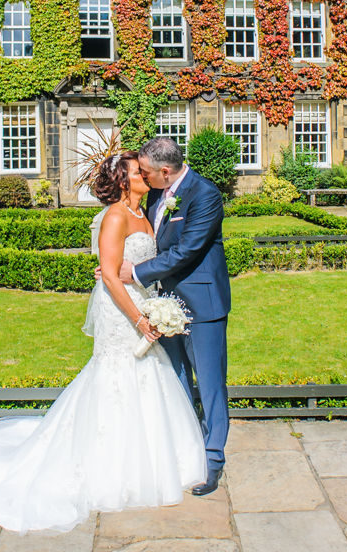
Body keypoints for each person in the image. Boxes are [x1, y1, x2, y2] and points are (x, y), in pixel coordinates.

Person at [0, 151, 206, 534]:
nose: (145, 174)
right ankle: (108, 465)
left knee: (148, 375)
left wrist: (153, 305)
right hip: (123, 313)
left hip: (142, 301)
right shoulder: (114, 216)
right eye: (137, 171)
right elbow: (110, 277)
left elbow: (140, 264)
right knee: (115, 375)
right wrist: (141, 319)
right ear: (124, 180)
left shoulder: (147, 211)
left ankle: (156, 460)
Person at [114, 136, 231, 496]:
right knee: (177, 378)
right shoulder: (155, 192)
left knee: (210, 385)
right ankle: (186, 450)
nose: (144, 178)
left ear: (166, 171)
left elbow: (187, 249)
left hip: (203, 305)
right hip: (165, 303)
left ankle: (212, 462)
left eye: (148, 173)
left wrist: (135, 273)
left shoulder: (205, 194)